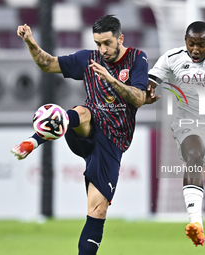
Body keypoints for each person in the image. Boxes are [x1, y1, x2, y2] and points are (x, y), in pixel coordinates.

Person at [11, 15, 155, 255]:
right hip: (86, 130)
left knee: (97, 211)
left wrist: (111, 79)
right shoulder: (88, 59)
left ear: (121, 38)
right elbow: (47, 63)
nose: (103, 49)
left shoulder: (136, 59)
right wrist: (30, 42)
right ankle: (34, 140)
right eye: (98, 43)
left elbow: (139, 98)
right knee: (82, 111)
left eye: (108, 43)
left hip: (113, 143)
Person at [148, 21, 205, 254]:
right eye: (191, 44)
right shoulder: (171, 58)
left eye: (201, 44)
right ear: (185, 41)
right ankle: (196, 222)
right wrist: (146, 92)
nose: (195, 49)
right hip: (188, 125)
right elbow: (149, 83)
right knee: (194, 154)